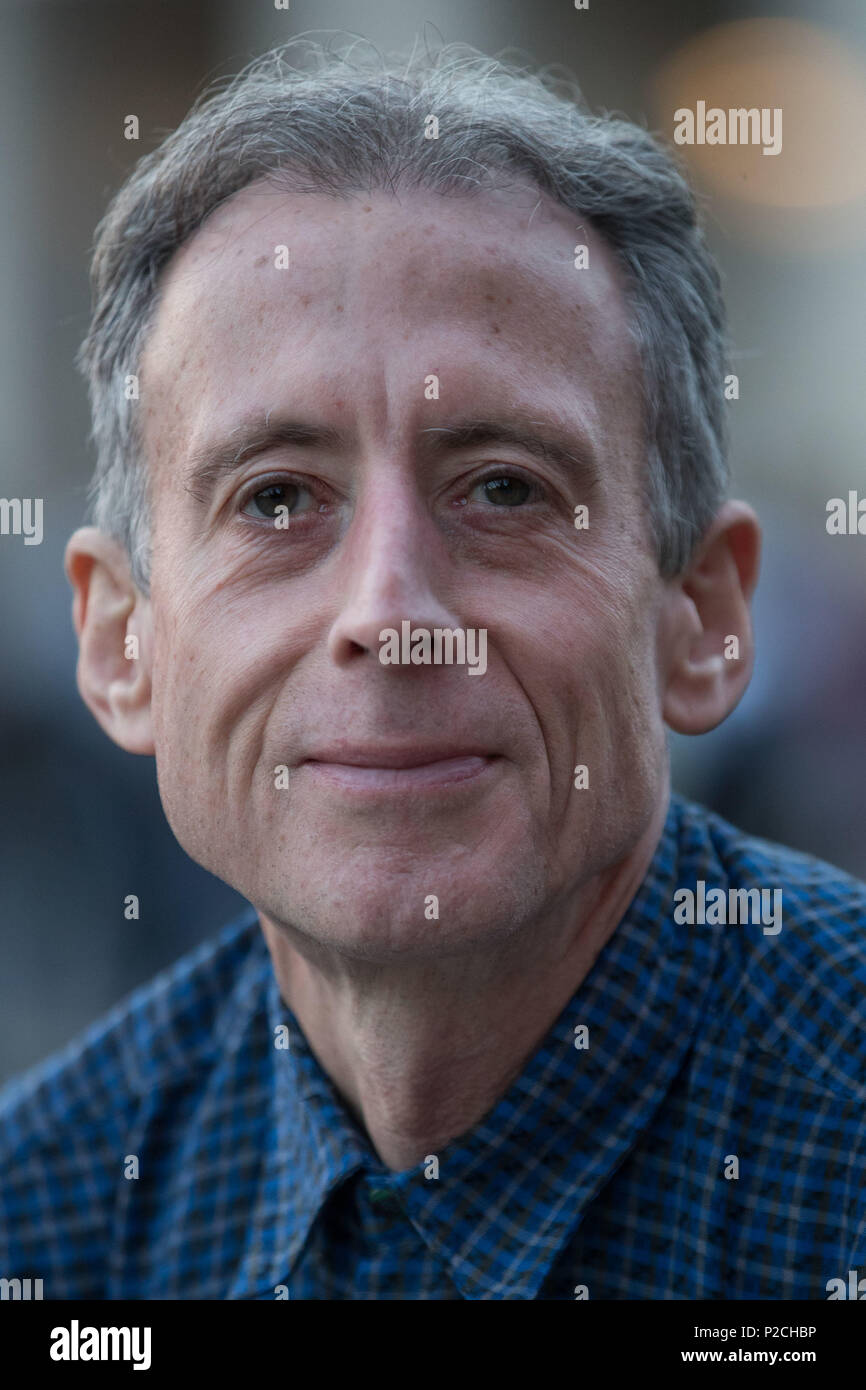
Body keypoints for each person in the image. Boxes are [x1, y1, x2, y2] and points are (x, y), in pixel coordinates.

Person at [1, 39, 863, 1301]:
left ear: (699, 618)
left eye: (504, 487)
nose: (388, 613)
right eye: (278, 498)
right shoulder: (47, 1222)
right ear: (123, 643)